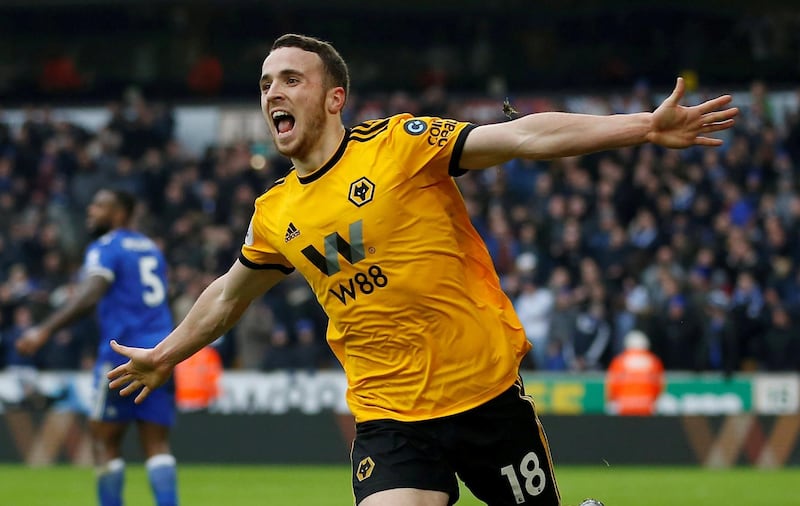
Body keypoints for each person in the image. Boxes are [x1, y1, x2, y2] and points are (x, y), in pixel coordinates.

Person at [106, 34, 738, 506]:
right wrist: (165, 354)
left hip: (482, 394)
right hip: (388, 415)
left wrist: (642, 129)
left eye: (291, 79)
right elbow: (227, 296)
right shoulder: (274, 211)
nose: (274, 91)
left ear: (333, 98)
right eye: (267, 82)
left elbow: (523, 138)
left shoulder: (399, 145)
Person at [16, 188, 178, 506]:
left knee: (105, 443)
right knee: (157, 446)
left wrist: (44, 329)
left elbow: (92, 292)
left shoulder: (106, 247)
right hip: (161, 355)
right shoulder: (151, 249)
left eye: (100, 205)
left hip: (121, 358)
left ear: (119, 213)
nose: (91, 210)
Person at [605, 329, 665, 416]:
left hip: (623, 407)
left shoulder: (619, 361)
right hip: (647, 407)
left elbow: (611, 387)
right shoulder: (654, 362)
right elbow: (660, 386)